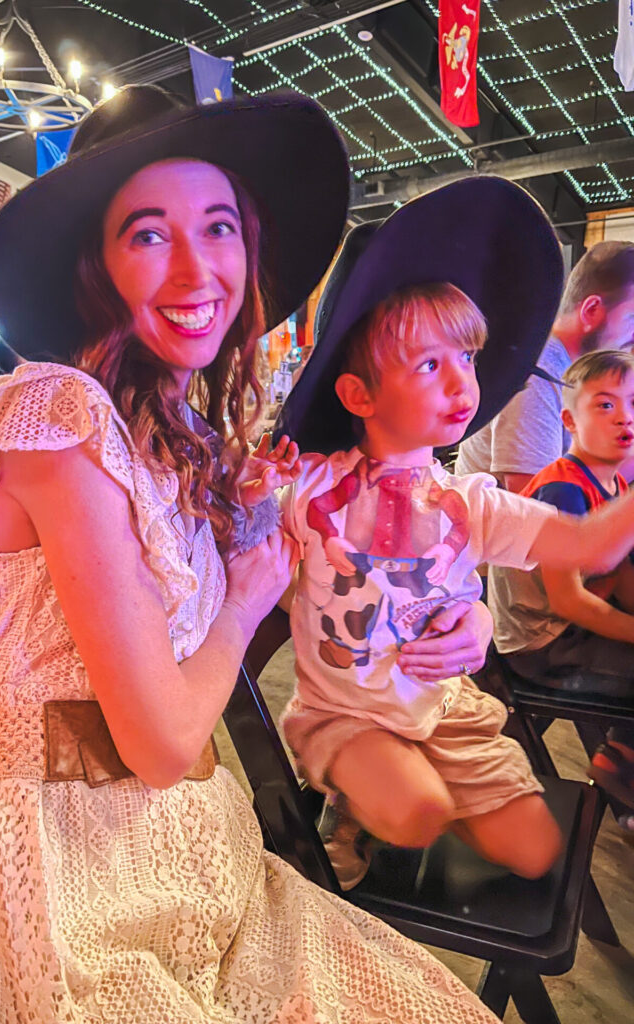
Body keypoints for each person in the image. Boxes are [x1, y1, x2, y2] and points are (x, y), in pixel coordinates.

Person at [0, 87, 499, 1023]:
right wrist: (246, 592)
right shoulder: (54, 415)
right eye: (147, 234)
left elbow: (362, 580)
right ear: (90, 267)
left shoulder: (172, 437)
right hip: (77, 884)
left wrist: (467, 616)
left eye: (218, 226)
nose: (196, 267)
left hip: (201, 850)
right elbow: (160, 741)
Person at [274, 178, 634, 891]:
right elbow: (229, 547)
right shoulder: (314, 495)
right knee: (416, 812)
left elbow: (592, 546)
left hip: (444, 711)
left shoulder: (472, 502)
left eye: (466, 358)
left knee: (536, 851)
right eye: (430, 364)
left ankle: (409, 786)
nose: (463, 384)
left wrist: (472, 614)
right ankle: (351, 793)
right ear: (359, 396)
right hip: (343, 714)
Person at [488, 349, 634, 812]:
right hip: (542, 646)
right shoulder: (563, 488)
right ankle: (622, 761)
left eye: (633, 403)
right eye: (605, 404)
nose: (623, 417)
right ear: (569, 422)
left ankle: (620, 756)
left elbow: (623, 574)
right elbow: (569, 602)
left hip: (574, 629)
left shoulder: (616, 486)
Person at [455, 240, 634, 491]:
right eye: (631, 317)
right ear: (591, 310)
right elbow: (538, 503)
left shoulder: (577, 375)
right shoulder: (540, 372)